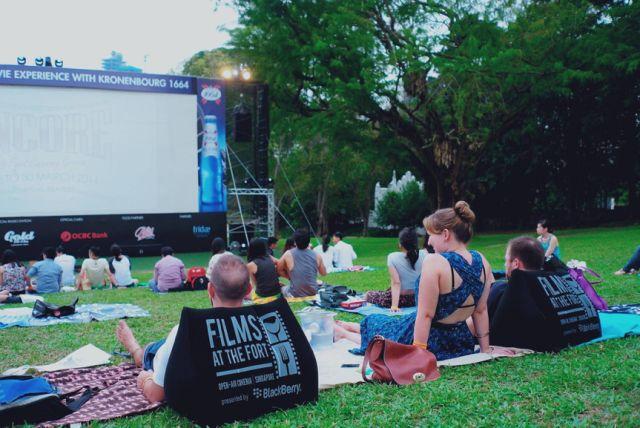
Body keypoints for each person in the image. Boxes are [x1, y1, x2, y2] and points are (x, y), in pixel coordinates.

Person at [335, 201, 503, 360]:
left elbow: (426, 315)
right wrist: (485, 350)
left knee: (378, 325)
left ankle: (344, 333)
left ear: (445, 234)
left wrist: (418, 354)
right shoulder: (482, 260)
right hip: (459, 343)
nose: (429, 241)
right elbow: (480, 311)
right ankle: (350, 326)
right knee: (387, 323)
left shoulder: (435, 261)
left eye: (430, 235)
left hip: (427, 341)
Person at [115, 254, 251, 403]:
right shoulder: (261, 326)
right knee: (164, 345)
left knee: (150, 352)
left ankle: (137, 351)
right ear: (249, 290)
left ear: (210, 290)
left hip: (166, 352)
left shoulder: (185, 332)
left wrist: (145, 379)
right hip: (179, 349)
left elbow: (156, 395)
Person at [365, 227, 426, 310]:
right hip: (419, 298)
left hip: (402, 299)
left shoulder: (392, 257)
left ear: (400, 243)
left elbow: (396, 283)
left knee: (369, 294)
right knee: (386, 291)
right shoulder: (425, 254)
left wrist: (394, 306)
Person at [486, 236, 545, 320]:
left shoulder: (500, 290)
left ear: (515, 263)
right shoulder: (547, 291)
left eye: (506, 260)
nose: (505, 264)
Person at [278, 229, 327, 297]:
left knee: (281, 288)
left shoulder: (288, 254)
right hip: (313, 292)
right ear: (309, 241)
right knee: (320, 283)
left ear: (295, 242)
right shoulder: (317, 255)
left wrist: (289, 277)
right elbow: (324, 273)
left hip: (294, 293)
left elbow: (279, 269)